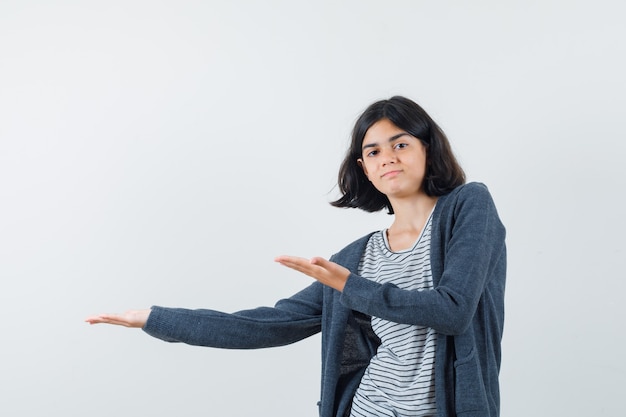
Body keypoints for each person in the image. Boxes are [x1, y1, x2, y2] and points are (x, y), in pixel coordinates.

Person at [85, 95, 506, 417]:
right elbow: (267, 325)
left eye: (401, 143)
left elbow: (453, 309)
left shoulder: (468, 207)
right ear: (363, 167)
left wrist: (348, 286)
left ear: (427, 148)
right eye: (373, 151)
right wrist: (154, 318)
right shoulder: (358, 257)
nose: (388, 158)